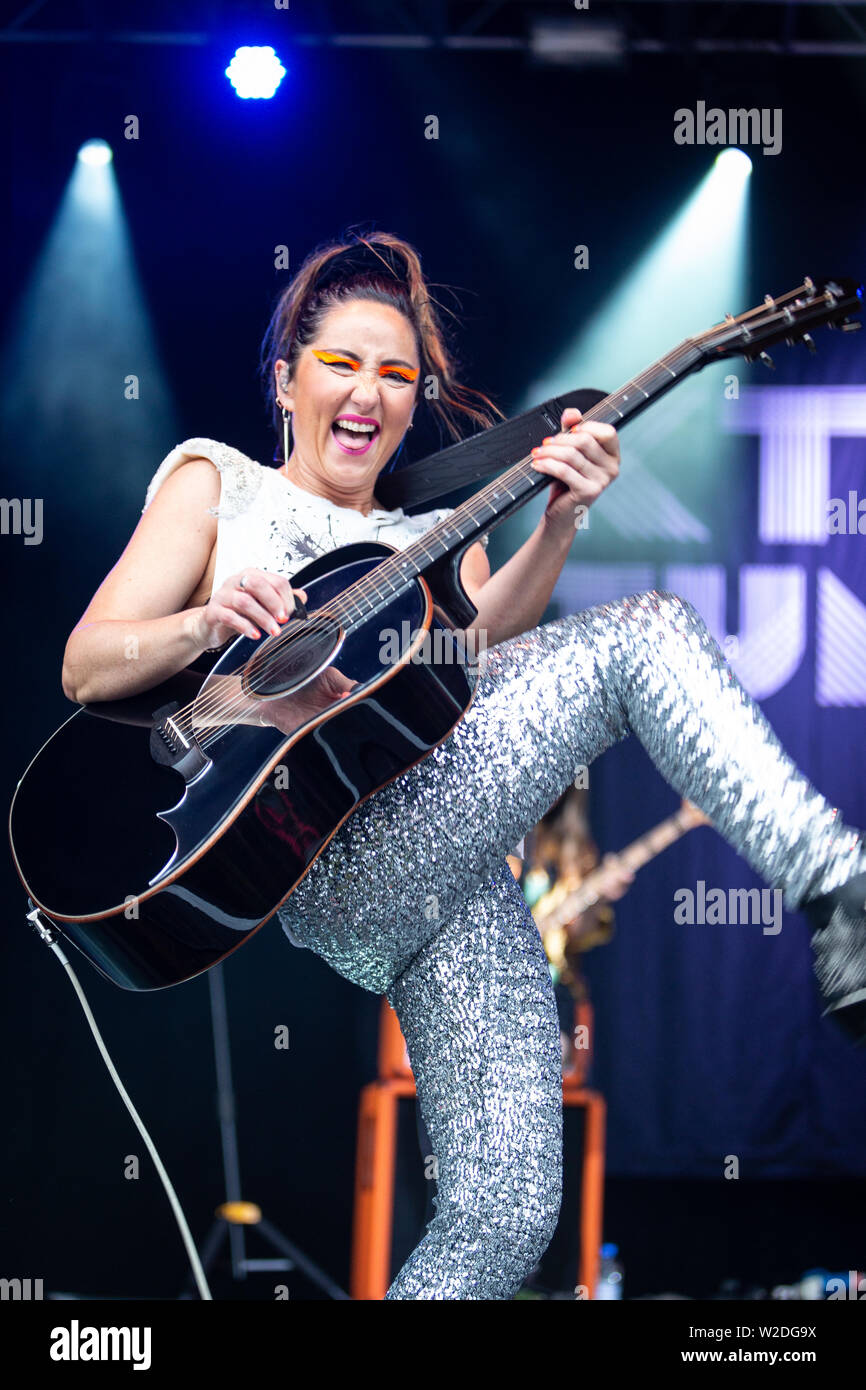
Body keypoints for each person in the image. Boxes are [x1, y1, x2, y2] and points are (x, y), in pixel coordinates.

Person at [61, 229, 866, 1301]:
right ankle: (838, 886)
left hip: (443, 860)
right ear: (286, 377)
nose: (368, 392)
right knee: (643, 636)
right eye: (341, 363)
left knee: (504, 1210)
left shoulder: (432, 522)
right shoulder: (220, 483)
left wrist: (561, 523)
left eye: (395, 375)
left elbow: (477, 659)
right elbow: (85, 663)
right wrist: (209, 624)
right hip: (330, 853)